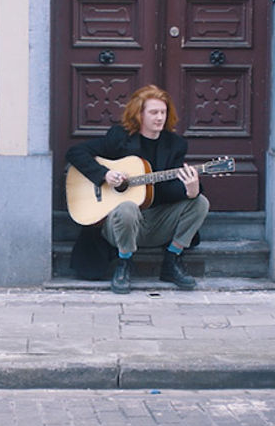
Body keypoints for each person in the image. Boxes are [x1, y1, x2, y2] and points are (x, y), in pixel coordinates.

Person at [65, 84, 210, 294]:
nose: (160, 117)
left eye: (163, 112)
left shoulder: (175, 144)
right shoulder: (119, 137)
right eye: (153, 112)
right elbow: (75, 152)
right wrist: (104, 175)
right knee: (127, 207)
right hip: (117, 224)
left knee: (200, 202)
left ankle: (172, 260)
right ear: (139, 114)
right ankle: (124, 264)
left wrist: (191, 190)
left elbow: (168, 191)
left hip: (156, 222)